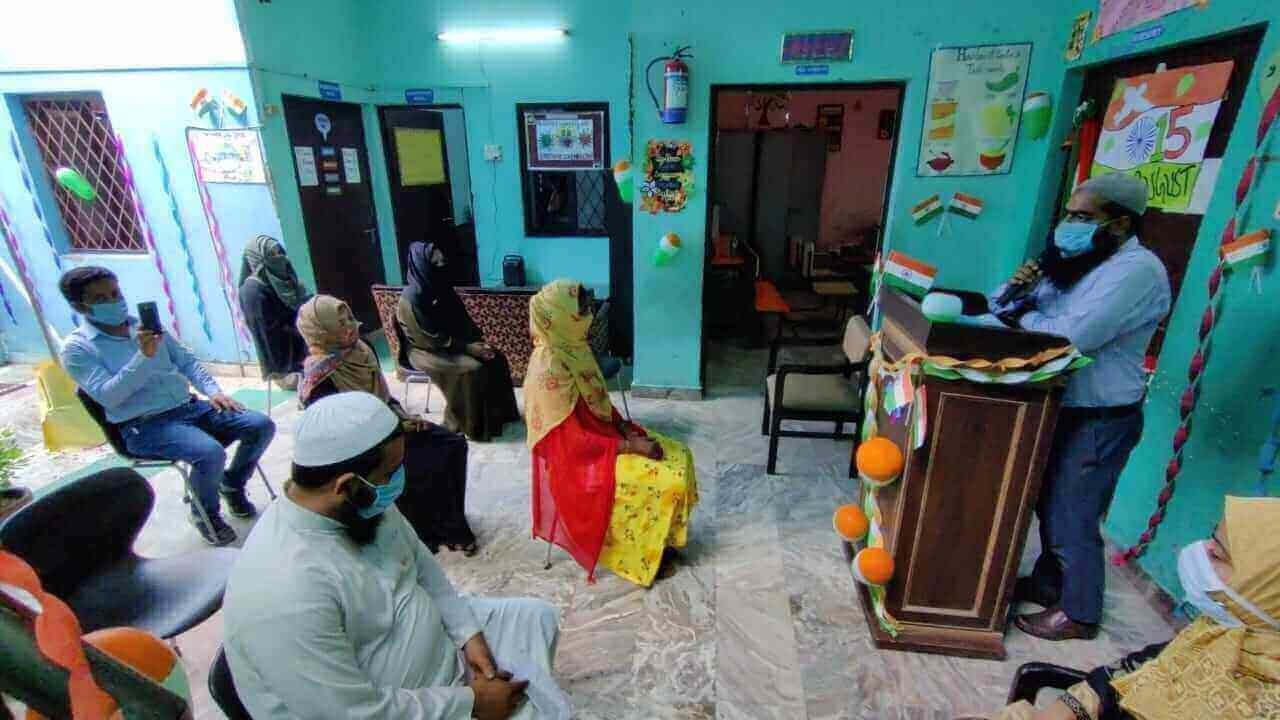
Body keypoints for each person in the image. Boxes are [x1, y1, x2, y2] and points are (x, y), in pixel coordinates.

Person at [224, 391, 561, 720]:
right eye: (390, 473)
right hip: (394, 705)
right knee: (542, 711)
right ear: (344, 485)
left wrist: (467, 633)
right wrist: (471, 703)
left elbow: (423, 567)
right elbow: (349, 712)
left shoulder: (360, 503)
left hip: (440, 650)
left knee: (536, 619)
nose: (399, 481)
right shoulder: (284, 590)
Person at [989, 173, 1172, 641]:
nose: (1069, 224)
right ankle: (1050, 584)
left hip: (1101, 414)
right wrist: (1016, 293)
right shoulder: (1081, 261)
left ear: (1120, 223)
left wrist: (1023, 315)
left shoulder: (1136, 271)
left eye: (1083, 217)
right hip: (1063, 403)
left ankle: (1080, 612)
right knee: (1048, 503)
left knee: (1074, 510)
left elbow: (1071, 336)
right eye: (1068, 214)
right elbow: (1001, 305)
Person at [976, 496, 1280, 720]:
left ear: (1267, 593)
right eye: (1212, 538)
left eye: (1219, 555)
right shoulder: (1217, 632)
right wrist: (1069, 708)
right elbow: (1137, 669)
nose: (1203, 549)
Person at [58, 266, 276, 546]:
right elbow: (109, 397)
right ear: (80, 306)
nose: (114, 302)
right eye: (101, 299)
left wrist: (214, 392)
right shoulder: (76, 349)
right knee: (209, 453)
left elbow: (187, 362)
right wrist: (143, 357)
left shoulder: (145, 327)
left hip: (191, 408)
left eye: (116, 293)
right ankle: (204, 513)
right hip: (143, 425)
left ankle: (232, 484)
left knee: (260, 425)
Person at [524, 280, 698, 587]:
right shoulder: (548, 371)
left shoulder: (573, 348)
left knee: (678, 454)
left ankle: (658, 540)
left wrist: (624, 428)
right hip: (579, 461)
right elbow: (571, 444)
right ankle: (640, 556)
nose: (588, 316)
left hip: (603, 437)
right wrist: (631, 446)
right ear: (560, 316)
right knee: (663, 479)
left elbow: (598, 404)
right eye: (580, 310)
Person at [297, 295, 478, 555]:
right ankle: (426, 533)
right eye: (340, 323)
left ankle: (450, 523)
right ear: (321, 332)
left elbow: (385, 398)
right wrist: (394, 430)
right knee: (416, 466)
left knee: (452, 444)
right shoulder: (319, 379)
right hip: (360, 449)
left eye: (349, 318)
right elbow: (339, 435)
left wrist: (404, 418)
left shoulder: (361, 349)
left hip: (389, 425)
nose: (350, 327)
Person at [397, 241, 520, 442]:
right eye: (435, 264)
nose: (441, 267)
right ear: (423, 266)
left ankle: (499, 417)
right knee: (471, 369)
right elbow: (427, 338)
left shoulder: (442, 287)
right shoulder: (411, 300)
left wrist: (479, 343)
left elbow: (461, 320)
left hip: (452, 342)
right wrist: (468, 349)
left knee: (496, 358)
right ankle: (470, 425)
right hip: (425, 350)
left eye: (442, 262)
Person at [238, 235, 310, 390]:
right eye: (273, 254)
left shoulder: (282, 277)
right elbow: (269, 335)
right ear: (258, 258)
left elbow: (304, 301)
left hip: (307, 344)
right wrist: (307, 331)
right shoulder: (252, 291)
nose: (280, 258)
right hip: (287, 366)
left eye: (280, 252)